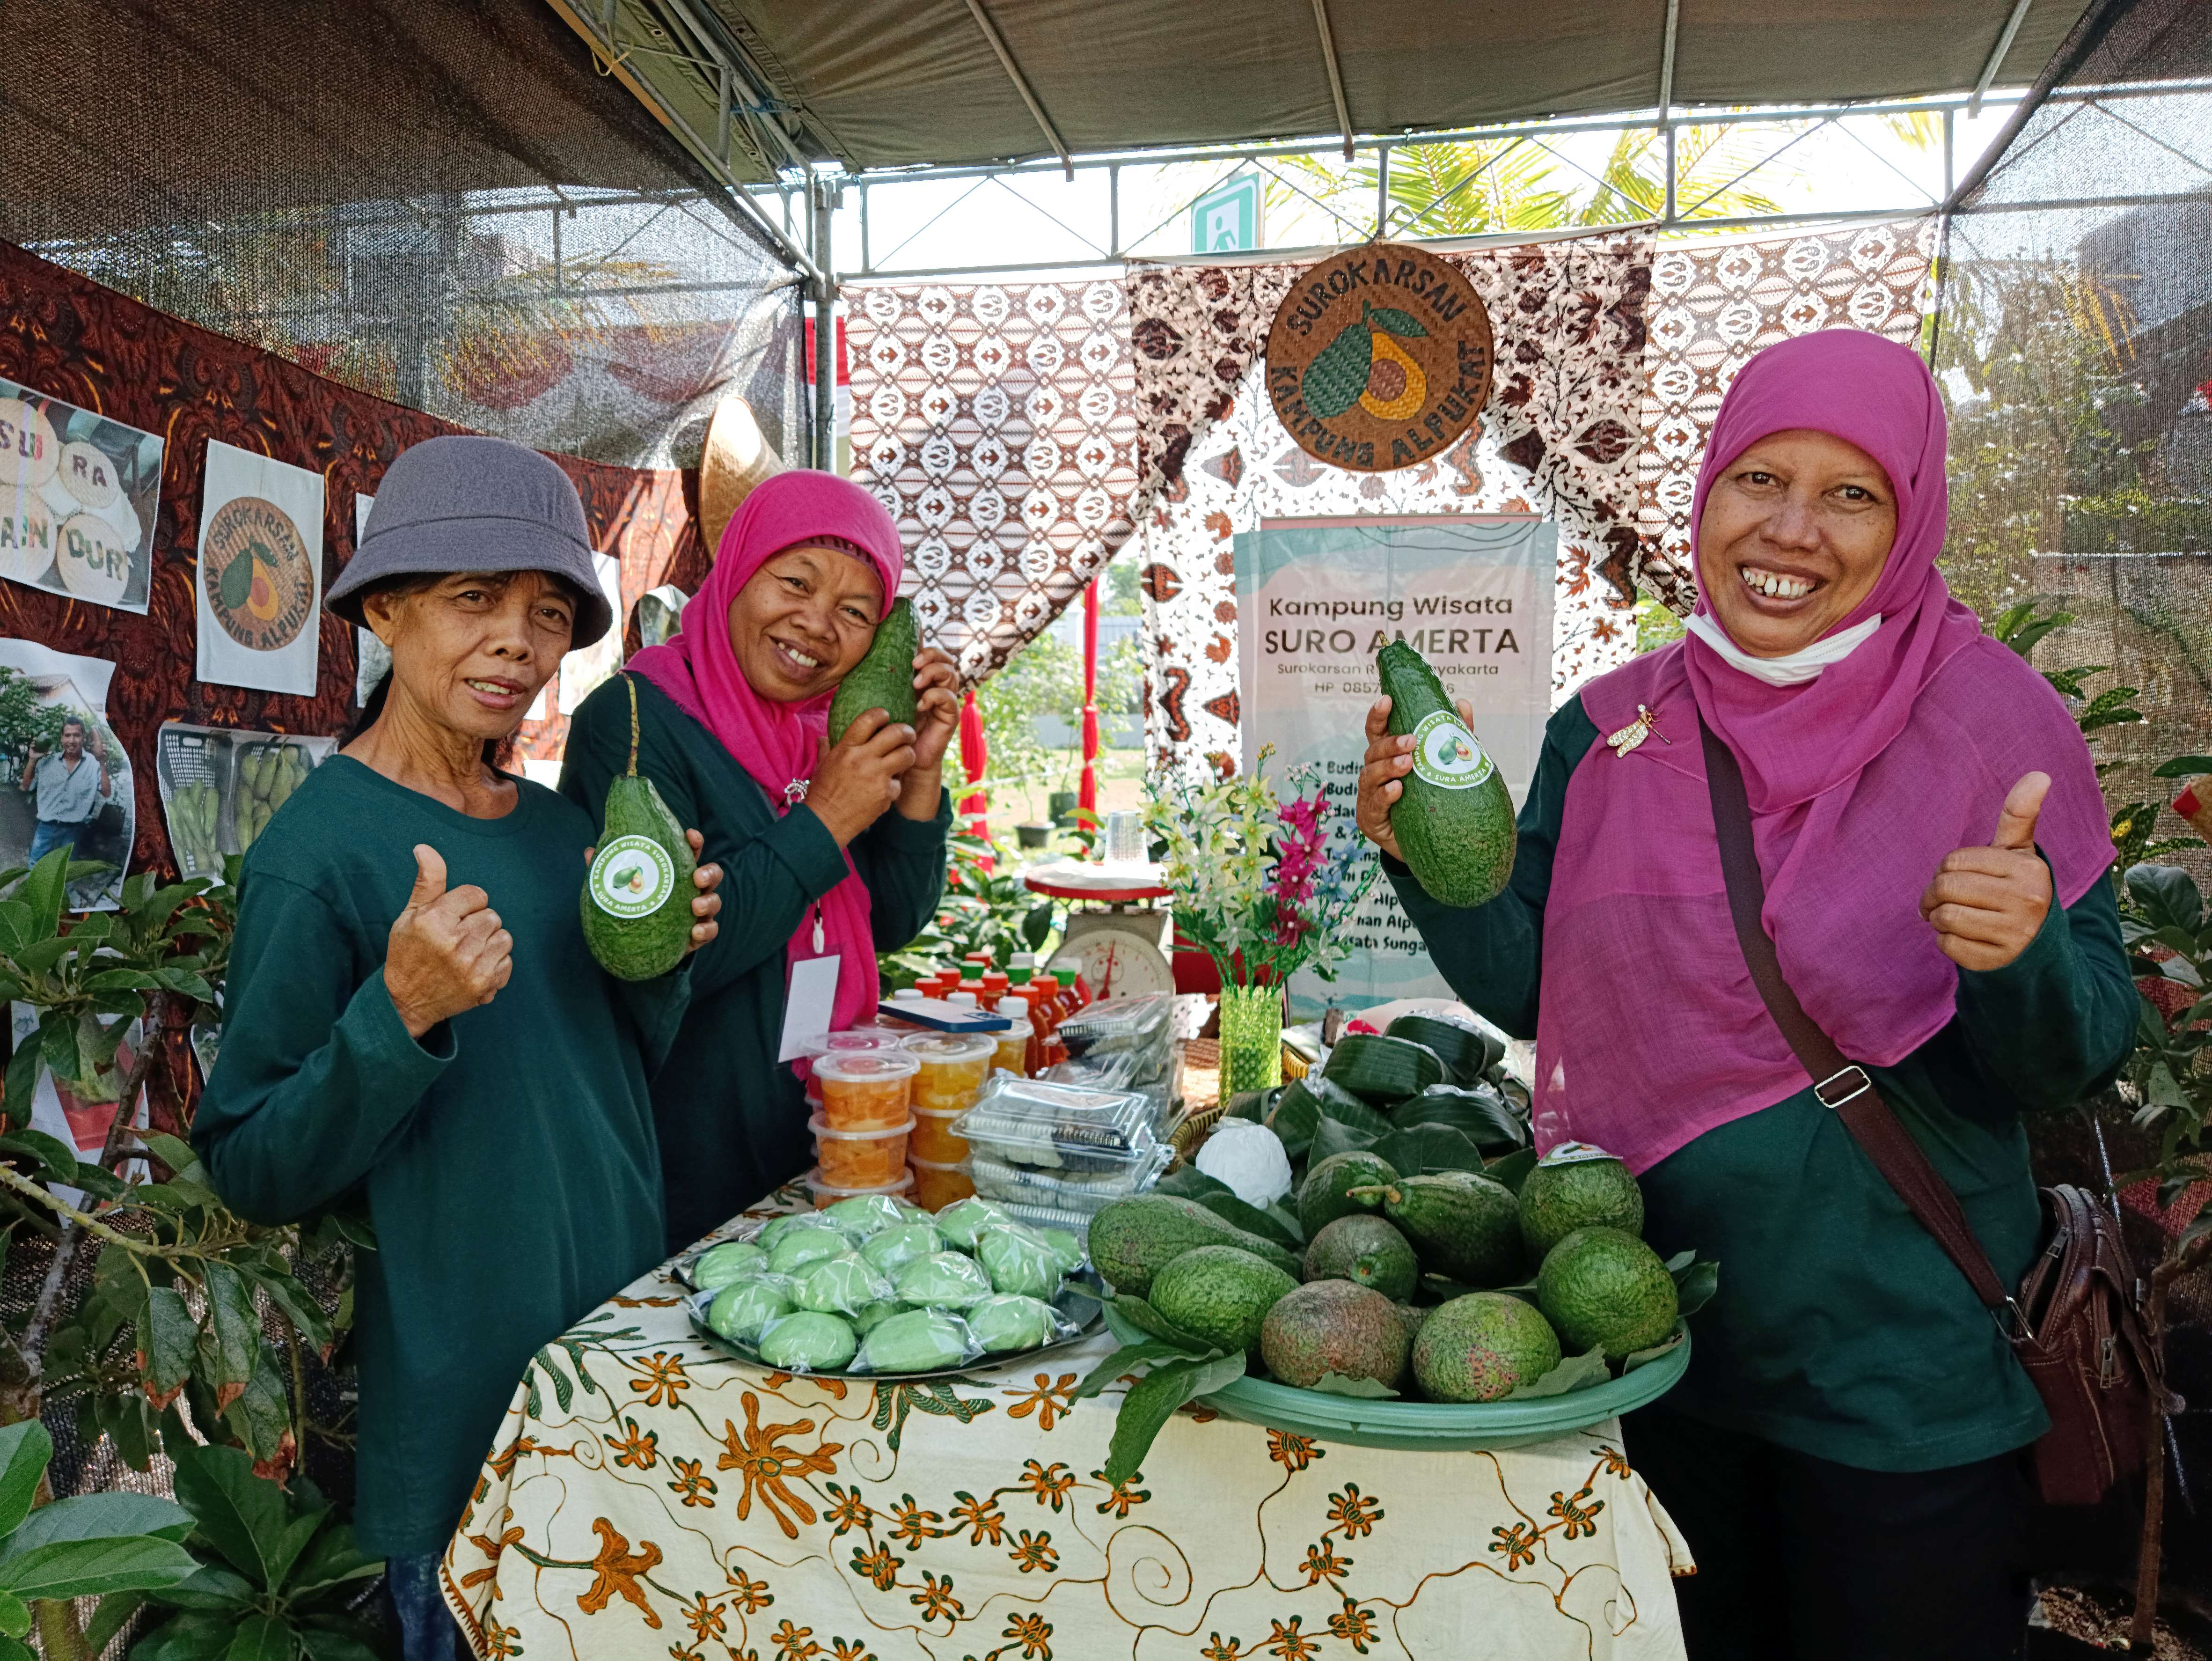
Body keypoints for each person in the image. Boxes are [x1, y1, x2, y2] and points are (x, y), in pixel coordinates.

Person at [1355, 331, 2134, 1661]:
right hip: (1653, 1339)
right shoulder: (1605, 730)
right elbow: (1522, 987)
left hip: (1897, 1377)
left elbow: (2065, 1060)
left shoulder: (1990, 723)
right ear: (1706, 491)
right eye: (1757, 478)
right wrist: (1419, 855)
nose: (1789, 528)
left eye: (1850, 495)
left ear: (1910, 517)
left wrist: (2022, 959)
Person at [195, 437, 724, 1661]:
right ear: (383, 608)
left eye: (546, 615)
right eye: (474, 597)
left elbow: (599, 1083)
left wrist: (660, 956)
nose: (518, 644)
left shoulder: (556, 832)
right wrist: (400, 1010)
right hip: (469, 1440)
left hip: (617, 1385)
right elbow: (248, 1161)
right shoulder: (318, 854)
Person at [559, 470, 956, 1253]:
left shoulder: (830, 733)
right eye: (795, 583)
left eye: (854, 612)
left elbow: (893, 919)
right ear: (739, 570)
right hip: (685, 1153)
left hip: (820, 1134)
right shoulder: (638, 722)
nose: (816, 625)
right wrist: (826, 819)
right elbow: (663, 957)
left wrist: (920, 777)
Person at [19, 715, 110, 864]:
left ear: (84, 738)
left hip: (73, 831)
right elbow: (27, 786)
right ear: (62, 739)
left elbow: (107, 792)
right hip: (46, 828)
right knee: (35, 867)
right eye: (67, 735)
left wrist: (101, 763)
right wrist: (33, 759)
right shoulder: (47, 762)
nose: (72, 741)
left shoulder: (93, 765)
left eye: (77, 735)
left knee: (65, 872)